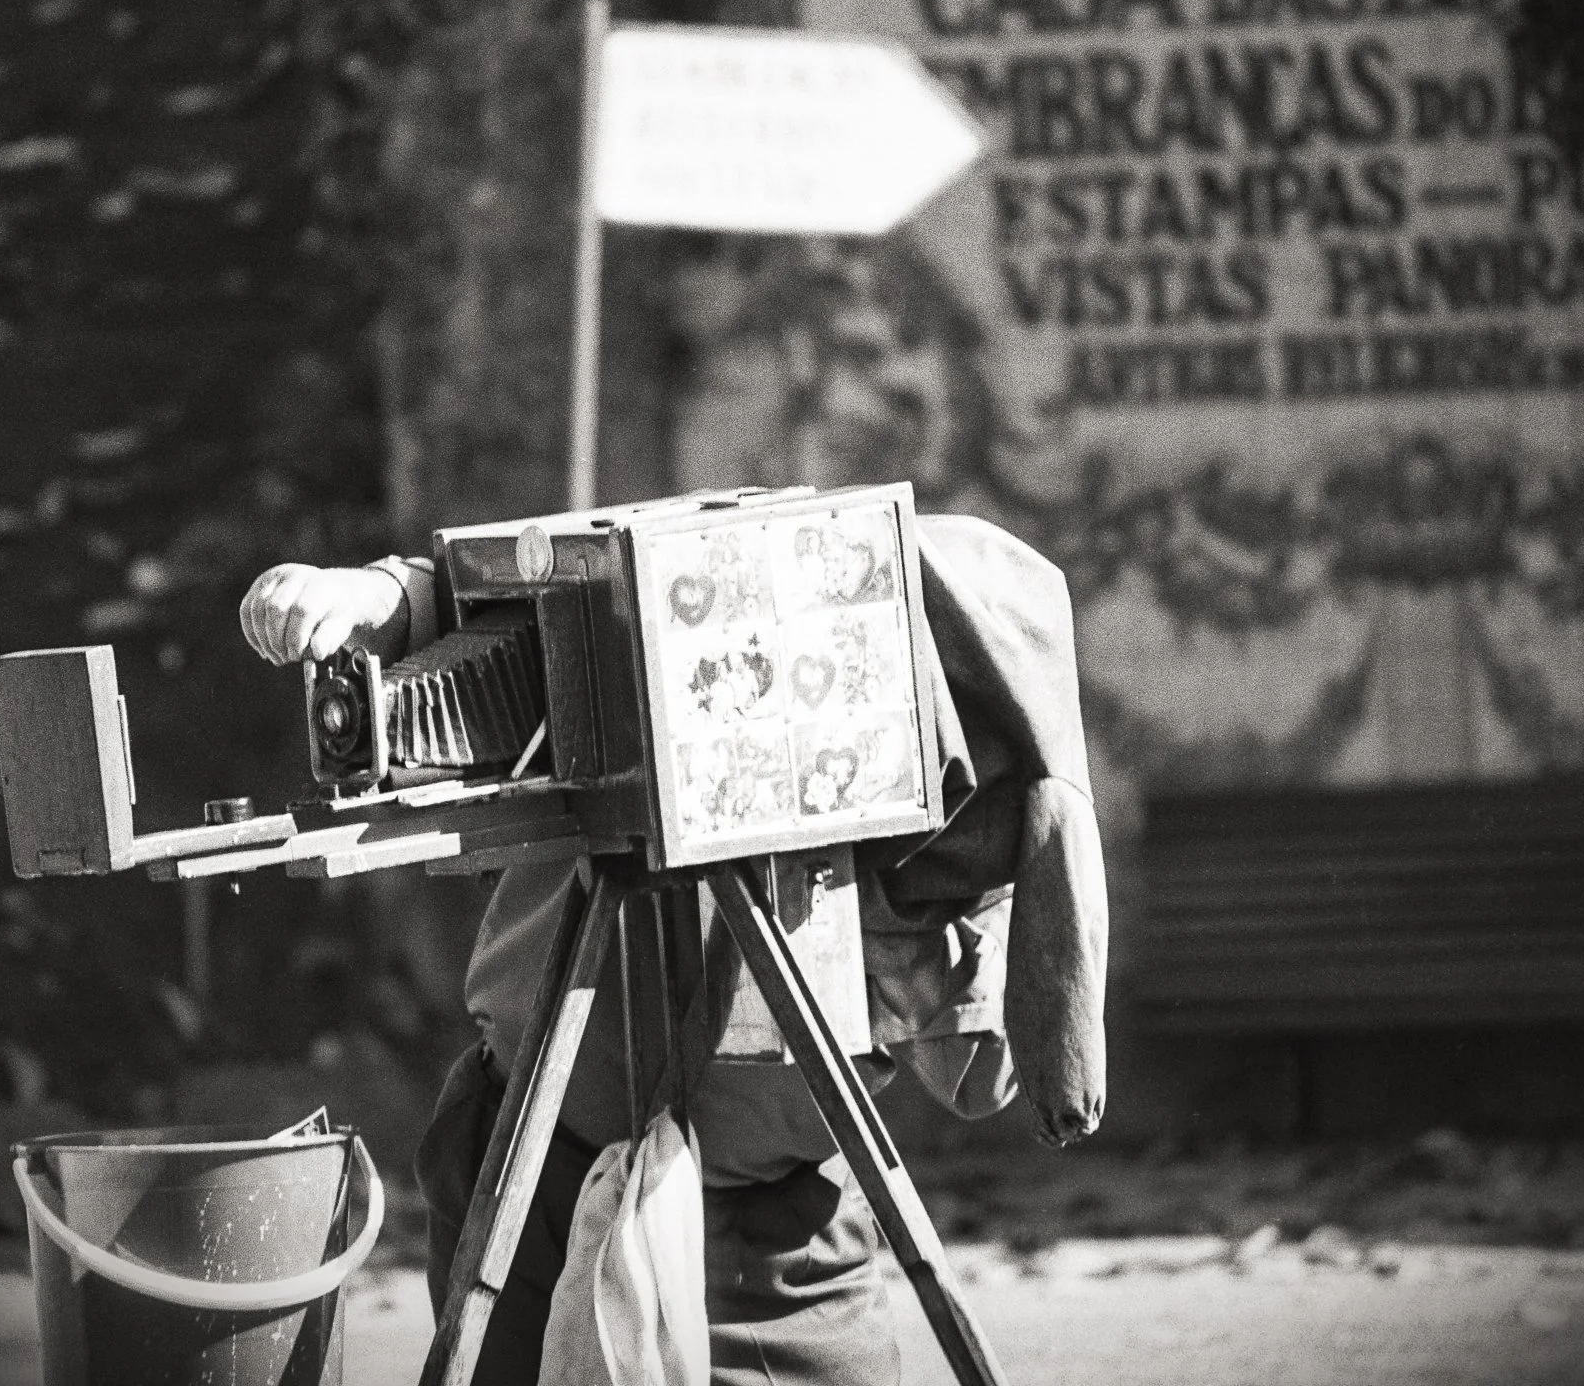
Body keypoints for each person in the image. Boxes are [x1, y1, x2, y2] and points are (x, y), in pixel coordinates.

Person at [239, 509, 1105, 1385]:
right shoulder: (707, 605)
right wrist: (364, 597)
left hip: (781, 1231)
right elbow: (499, 603)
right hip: (537, 1174)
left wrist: (913, 927)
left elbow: (985, 1078)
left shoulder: (969, 823)